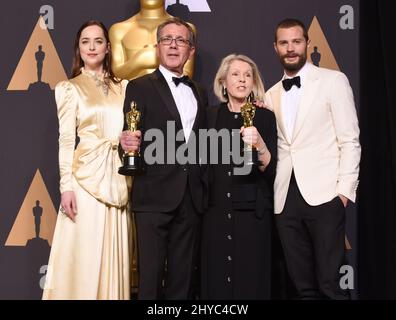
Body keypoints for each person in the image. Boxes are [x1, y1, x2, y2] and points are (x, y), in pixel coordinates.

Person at [265, 18, 361, 299]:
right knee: (302, 287)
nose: (290, 48)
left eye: (296, 41)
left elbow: (350, 140)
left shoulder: (333, 81)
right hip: (285, 200)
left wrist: (343, 192)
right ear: (276, 48)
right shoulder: (271, 94)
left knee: (331, 285)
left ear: (307, 43)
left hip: (325, 196)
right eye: (284, 43)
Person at [42, 20, 132, 300]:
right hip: (84, 182)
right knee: (84, 256)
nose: (92, 47)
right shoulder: (69, 88)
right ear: (78, 49)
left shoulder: (126, 87)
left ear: (108, 48)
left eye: (98, 41)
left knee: (113, 255)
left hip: (118, 179)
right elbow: (67, 140)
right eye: (85, 42)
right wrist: (65, 187)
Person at [120, 17, 208, 300]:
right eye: (167, 39)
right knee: (150, 279)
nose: (173, 45)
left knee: (182, 281)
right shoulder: (139, 86)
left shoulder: (200, 92)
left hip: (191, 198)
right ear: (158, 46)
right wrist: (126, 145)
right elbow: (130, 137)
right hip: (153, 196)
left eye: (181, 40)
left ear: (190, 51)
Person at [200, 54, 277, 299]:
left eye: (247, 75)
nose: (242, 80)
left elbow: (272, 169)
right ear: (223, 81)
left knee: (250, 281)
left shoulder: (265, 116)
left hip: (253, 215)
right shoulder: (210, 116)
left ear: (254, 83)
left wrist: (261, 145)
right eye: (235, 74)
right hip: (216, 213)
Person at [109, 0, 196, 80]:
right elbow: (117, 74)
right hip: (130, 95)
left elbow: (187, 75)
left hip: (171, 95)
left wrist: (156, 58)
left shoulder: (186, 30)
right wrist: (140, 60)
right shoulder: (119, 30)